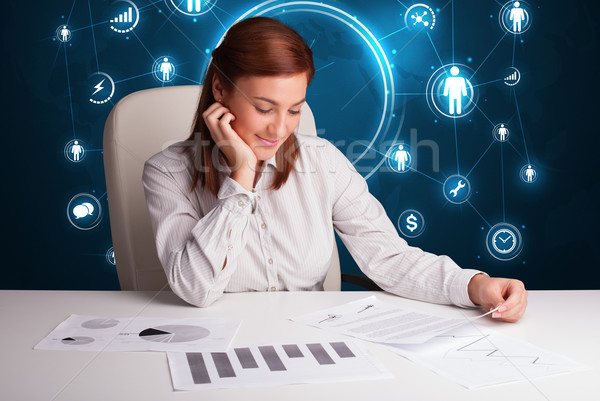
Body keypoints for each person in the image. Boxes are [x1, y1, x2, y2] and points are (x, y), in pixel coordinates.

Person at [142, 17, 528, 321]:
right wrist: (241, 177)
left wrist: (476, 285)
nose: (280, 129)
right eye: (264, 108)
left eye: (294, 109)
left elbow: (389, 258)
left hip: (311, 344)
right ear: (220, 90)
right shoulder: (166, 171)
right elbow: (196, 288)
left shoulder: (323, 160)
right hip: (219, 344)